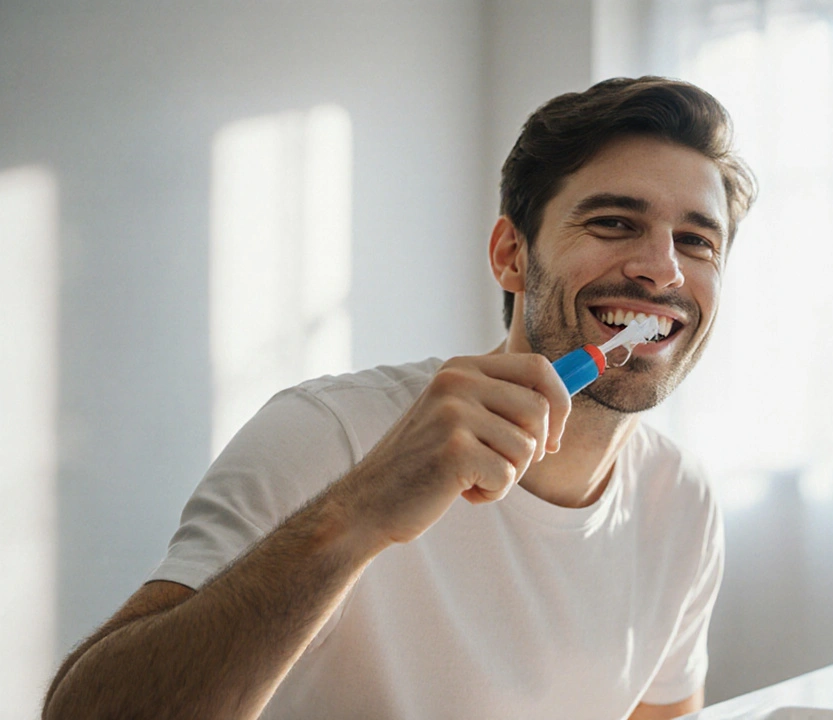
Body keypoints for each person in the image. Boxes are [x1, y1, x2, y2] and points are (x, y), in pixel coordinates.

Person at [43, 76, 757, 720]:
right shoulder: (329, 435)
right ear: (511, 255)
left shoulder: (680, 501)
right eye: (614, 223)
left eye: (697, 241)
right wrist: (356, 514)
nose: (662, 269)